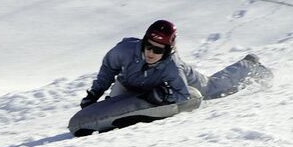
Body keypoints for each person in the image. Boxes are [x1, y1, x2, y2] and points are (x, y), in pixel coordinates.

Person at [79, 19, 209, 108]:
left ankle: (230, 75)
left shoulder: (172, 66)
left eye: (158, 50)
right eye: (148, 46)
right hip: (128, 84)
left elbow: (183, 95)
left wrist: (164, 95)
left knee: (211, 87)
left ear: (167, 51)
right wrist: (95, 93)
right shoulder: (125, 50)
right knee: (114, 103)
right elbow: (108, 68)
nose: (151, 53)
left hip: (161, 85)